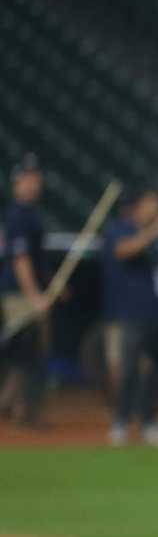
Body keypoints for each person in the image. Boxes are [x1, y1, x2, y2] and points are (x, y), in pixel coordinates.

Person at [101, 186, 158, 444]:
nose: (156, 210)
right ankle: (121, 421)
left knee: (154, 371)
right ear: (138, 206)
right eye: (151, 204)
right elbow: (123, 250)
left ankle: (148, 421)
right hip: (130, 312)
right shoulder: (121, 228)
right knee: (128, 369)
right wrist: (153, 232)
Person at [2, 153, 53, 426]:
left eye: (36, 177)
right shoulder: (18, 214)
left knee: (26, 354)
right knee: (26, 354)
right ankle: (22, 410)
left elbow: (35, 259)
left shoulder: (32, 213)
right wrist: (34, 295)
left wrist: (52, 284)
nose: (35, 183)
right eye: (28, 178)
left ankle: (16, 407)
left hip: (30, 291)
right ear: (17, 182)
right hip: (21, 295)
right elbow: (21, 260)